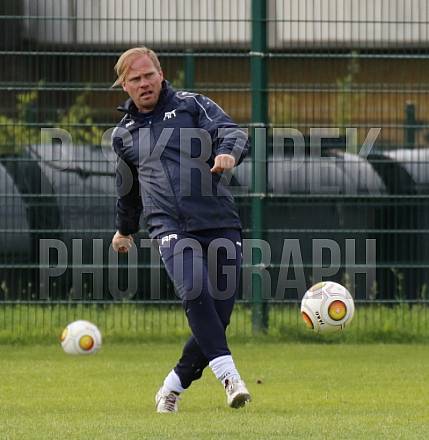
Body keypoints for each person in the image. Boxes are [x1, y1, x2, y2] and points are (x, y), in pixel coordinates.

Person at [110, 47, 251, 413]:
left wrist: (228, 153)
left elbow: (231, 132)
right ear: (124, 85)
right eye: (135, 79)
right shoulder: (123, 135)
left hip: (218, 219)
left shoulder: (191, 105)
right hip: (169, 226)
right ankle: (230, 378)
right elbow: (128, 190)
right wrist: (125, 230)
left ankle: (172, 386)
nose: (144, 83)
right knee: (194, 289)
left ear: (161, 74)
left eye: (149, 75)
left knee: (218, 316)